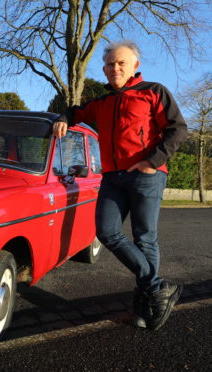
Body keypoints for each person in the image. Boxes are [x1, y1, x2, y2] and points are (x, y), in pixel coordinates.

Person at [53, 41, 188, 330]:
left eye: (121, 63)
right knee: (106, 231)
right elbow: (76, 112)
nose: (115, 68)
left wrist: (153, 161)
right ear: (104, 69)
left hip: (147, 175)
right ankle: (157, 288)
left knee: (145, 238)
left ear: (134, 66)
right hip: (112, 177)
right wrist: (64, 117)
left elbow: (178, 129)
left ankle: (145, 306)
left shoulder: (153, 92)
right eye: (110, 64)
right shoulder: (101, 102)